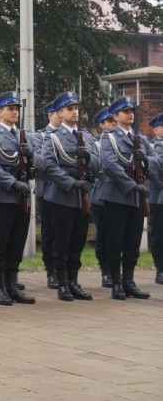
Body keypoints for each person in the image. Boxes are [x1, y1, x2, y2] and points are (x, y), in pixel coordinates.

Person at [40, 91, 99, 301]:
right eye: (69, 109)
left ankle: (74, 281)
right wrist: (71, 183)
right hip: (62, 195)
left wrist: (89, 156)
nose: (74, 112)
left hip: (82, 197)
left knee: (77, 241)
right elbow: (49, 166)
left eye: (76, 108)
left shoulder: (87, 138)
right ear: (59, 113)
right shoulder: (53, 138)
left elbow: (98, 165)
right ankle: (62, 282)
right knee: (61, 240)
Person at [0, 91, 36, 306]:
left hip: (21, 196)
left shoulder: (25, 136)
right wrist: (12, 183)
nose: (14, 112)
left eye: (16, 109)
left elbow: (40, 162)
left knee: (17, 241)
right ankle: (0, 286)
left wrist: (29, 154)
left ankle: (13, 284)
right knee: (0, 243)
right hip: (1, 195)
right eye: (9, 108)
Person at [99, 96, 158, 300]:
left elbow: (156, 161)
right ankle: (116, 282)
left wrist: (147, 161)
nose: (130, 114)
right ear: (115, 116)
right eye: (125, 111)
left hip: (136, 197)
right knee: (115, 240)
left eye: (131, 110)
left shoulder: (140, 139)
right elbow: (109, 165)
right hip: (117, 195)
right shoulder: (109, 138)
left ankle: (129, 281)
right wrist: (132, 185)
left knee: (132, 241)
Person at [32, 99, 62, 290]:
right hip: (47, 189)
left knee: (66, 232)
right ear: (51, 115)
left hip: (67, 190)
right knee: (50, 232)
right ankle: (51, 270)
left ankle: (65, 271)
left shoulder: (76, 136)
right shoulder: (40, 136)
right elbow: (40, 163)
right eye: (58, 112)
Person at [90, 107, 116, 287]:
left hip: (120, 194)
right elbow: (97, 168)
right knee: (104, 235)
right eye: (109, 122)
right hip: (101, 195)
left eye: (114, 121)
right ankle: (105, 270)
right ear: (101, 125)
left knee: (119, 235)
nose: (113, 124)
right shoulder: (96, 144)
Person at [148, 113, 163, 285]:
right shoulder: (155, 147)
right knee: (158, 234)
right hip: (157, 195)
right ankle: (160, 268)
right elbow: (153, 170)